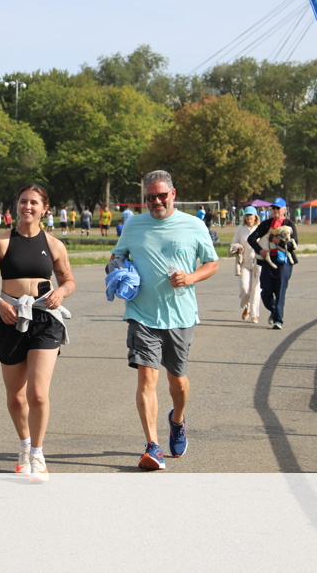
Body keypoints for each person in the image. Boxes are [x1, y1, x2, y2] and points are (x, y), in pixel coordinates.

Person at [108, 170, 219, 470]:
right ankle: (153, 446)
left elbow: (212, 263)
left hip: (180, 315)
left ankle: (177, 420)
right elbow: (116, 256)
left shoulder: (194, 225)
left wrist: (190, 277)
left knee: (177, 380)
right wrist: (117, 270)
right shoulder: (134, 225)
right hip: (142, 314)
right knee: (147, 377)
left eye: (161, 196)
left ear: (173, 194)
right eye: (150, 198)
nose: (156, 202)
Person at [0, 183, 75, 482]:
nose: (27, 207)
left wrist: (61, 292)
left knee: (38, 394)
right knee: (17, 396)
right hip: (11, 319)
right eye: (22, 201)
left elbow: (69, 281)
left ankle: (38, 453)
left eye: (33, 202)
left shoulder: (54, 244)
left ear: (45, 209)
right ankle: (24, 447)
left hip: (45, 319)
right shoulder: (1, 242)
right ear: (16, 206)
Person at [248, 197, 298, 331]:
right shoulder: (266, 224)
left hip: (284, 261)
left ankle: (278, 320)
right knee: (266, 292)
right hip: (267, 261)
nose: (275, 210)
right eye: (273, 208)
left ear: (284, 209)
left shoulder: (289, 224)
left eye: (278, 208)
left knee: (280, 290)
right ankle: (274, 309)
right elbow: (251, 238)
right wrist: (260, 251)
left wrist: (278, 241)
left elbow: (294, 245)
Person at [231, 207, 262, 323]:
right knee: (245, 289)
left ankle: (254, 314)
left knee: (256, 290)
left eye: (251, 215)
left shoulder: (260, 228)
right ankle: (246, 306)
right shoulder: (241, 229)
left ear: (255, 216)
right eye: (247, 215)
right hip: (244, 263)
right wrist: (238, 247)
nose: (249, 217)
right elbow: (234, 242)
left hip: (258, 263)